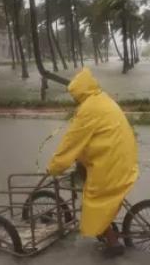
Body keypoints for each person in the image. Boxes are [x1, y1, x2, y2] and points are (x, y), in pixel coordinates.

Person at [47, 68, 139, 257]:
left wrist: (54, 167)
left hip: (112, 163)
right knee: (91, 181)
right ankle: (107, 225)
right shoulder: (102, 99)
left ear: (81, 92)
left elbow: (71, 142)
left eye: (75, 96)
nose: (74, 100)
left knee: (93, 200)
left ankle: (113, 244)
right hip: (124, 157)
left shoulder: (88, 109)